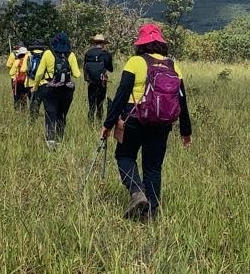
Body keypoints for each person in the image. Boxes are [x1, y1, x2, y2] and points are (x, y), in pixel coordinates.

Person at [101, 23, 192, 222]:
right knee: (153, 167)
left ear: (141, 44)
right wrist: (186, 132)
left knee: (124, 156)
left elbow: (121, 95)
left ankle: (136, 192)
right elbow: (182, 100)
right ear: (161, 43)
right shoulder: (173, 65)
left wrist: (107, 125)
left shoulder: (135, 62)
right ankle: (150, 213)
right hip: (162, 123)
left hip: (133, 118)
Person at [33, 32, 81, 148]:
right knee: (62, 115)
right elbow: (77, 74)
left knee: (50, 115)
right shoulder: (71, 55)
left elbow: (39, 73)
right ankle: (60, 141)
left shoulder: (48, 53)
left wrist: (35, 87)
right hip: (66, 90)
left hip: (49, 88)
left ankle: (50, 142)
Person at [83, 34, 114, 123]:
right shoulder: (106, 54)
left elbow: (84, 67)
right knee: (100, 105)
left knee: (91, 106)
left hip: (91, 82)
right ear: (103, 43)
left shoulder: (88, 53)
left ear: (94, 43)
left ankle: (90, 124)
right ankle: (99, 124)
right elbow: (111, 69)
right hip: (102, 82)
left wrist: (87, 79)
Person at [26, 39, 47, 121]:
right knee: (46, 103)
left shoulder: (29, 54)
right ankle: (46, 119)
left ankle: (33, 120)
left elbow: (25, 69)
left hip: (30, 83)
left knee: (33, 103)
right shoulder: (45, 54)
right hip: (43, 82)